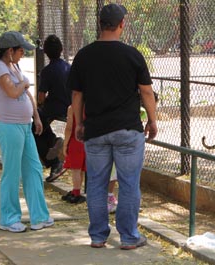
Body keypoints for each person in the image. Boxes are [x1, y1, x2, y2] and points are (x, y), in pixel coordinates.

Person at [68, 3, 158, 249]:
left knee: (96, 183)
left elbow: (77, 95)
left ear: (99, 25)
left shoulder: (84, 56)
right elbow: (146, 92)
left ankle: (98, 236)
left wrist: (79, 122)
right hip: (128, 130)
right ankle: (129, 237)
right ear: (121, 25)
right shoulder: (132, 55)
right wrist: (152, 119)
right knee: (129, 184)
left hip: (95, 130)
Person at [0, 31, 54, 232]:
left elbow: (27, 94)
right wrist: (24, 83)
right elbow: (13, 91)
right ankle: (8, 218)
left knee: (33, 170)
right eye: (21, 50)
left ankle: (39, 216)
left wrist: (36, 117)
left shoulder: (14, 66)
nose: (23, 54)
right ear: (10, 50)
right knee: (12, 173)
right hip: (8, 125)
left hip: (23, 126)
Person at [33, 34, 71, 183]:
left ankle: (54, 160)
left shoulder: (47, 71)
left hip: (54, 108)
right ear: (61, 49)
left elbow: (41, 97)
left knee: (35, 128)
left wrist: (40, 104)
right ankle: (54, 143)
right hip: (70, 107)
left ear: (46, 53)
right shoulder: (69, 67)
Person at [61, 105, 86, 204]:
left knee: (76, 170)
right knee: (81, 170)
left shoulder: (72, 108)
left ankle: (76, 192)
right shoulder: (91, 106)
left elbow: (69, 127)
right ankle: (77, 189)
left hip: (75, 141)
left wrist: (65, 144)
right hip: (86, 141)